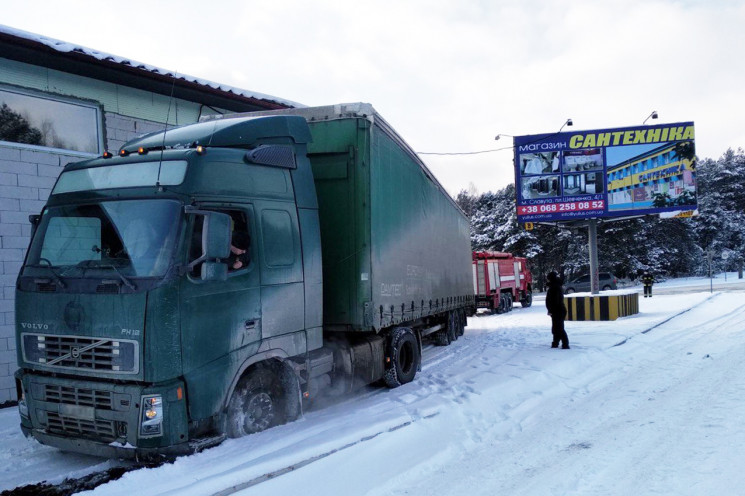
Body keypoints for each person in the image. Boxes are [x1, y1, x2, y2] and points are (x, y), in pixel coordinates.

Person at [546, 271, 570, 349]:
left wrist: (551, 310)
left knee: (558, 328)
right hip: (558, 310)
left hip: (558, 310)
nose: (547, 280)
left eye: (548, 279)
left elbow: (555, 301)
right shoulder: (555, 286)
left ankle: (565, 344)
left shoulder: (554, 287)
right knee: (556, 328)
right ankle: (555, 343)